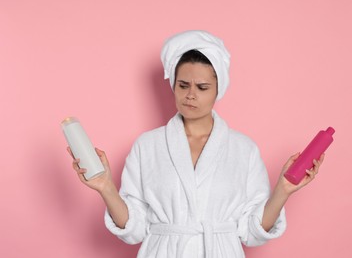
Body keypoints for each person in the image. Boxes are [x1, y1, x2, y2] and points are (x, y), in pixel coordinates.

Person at [67, 30, 325, 258]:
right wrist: (106, 188)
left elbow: (252, 232)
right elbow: (134, 230)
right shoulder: (148, 146)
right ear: (174, 86)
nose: (190, 95)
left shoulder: (243, 149)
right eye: (183, 85)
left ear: (218, 88)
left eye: (202, 87)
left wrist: (283, 190)